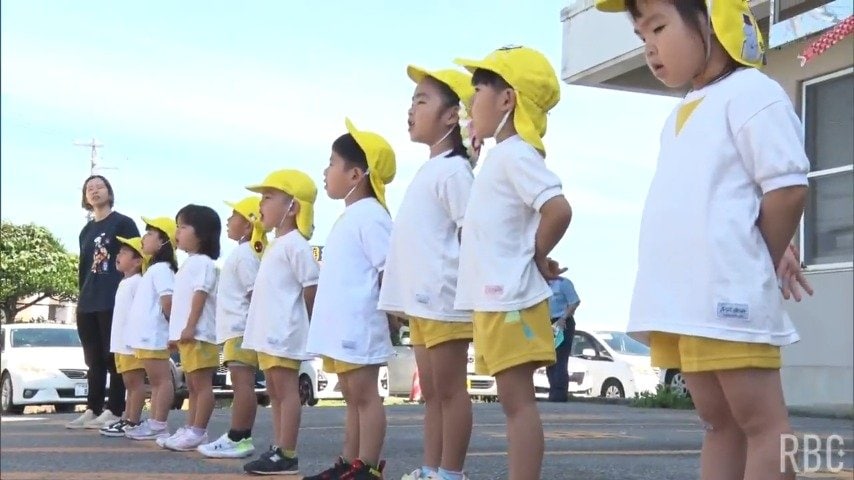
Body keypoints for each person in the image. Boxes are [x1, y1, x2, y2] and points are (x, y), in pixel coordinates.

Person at [594, 1, 813, 478]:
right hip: (687, 301)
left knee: (763, 425)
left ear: (714, 22)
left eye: (658, 26)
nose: (649, 46)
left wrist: (762, 257)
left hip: (726, 292)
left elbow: (788, 185)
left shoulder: (753, 91)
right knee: (718, 424)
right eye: (640, 35)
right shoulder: (686, 110)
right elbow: (726, 199)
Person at [453, 46, 572, 480]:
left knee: (518, 405)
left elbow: (558, 209)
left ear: (508, 100)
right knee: (512, 403)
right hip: (498, 299)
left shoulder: (517, 153)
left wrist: (536, 256)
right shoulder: (499, 156)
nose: (470, 102)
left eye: (478, 90)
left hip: (512, 300)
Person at [379, 65, 477, 480]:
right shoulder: (432, 168)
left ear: (452, 115)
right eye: (412, 101)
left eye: (422, 100)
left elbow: (472, 231)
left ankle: (449, 473)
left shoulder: (455, 171)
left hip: (444, 299)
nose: (411, 108)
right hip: (423, 303)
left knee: (451, 393)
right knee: (432, 394)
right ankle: (431, 469)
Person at [304, 119, 396, 480]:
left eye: (332, 163)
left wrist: (391, 317)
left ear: (356, 174)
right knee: (350, 397)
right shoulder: (352, 216)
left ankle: (368, 467)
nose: (326, 171)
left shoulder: (372, 215)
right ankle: (349, 462)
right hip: (343, 324)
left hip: (360, 323)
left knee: (365, 395)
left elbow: (388, 269)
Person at [241, 170, 320, 475]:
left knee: (285, 391)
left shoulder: (296, 245)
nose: (261, 203)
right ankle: (278, 448)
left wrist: (317, 328)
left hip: (284, 331)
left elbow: (312, 287)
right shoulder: (277, 244)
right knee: (274, 391)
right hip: (268, 331)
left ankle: (287, 452)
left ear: (293, 207)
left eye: (269, 197)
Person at [66, 175, 140, 430]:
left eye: (100, 187)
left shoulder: (123, 223)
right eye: (89, 189)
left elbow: (135, 257)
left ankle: (114, 409)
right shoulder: (86, 231)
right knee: (93, 359)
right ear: (85, 197)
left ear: (110, 191)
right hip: (88, 300)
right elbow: (85, 268)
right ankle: (92, 408)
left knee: (114, 357)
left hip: (113, 299)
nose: (95, 191)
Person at [198, 197, 265, 459]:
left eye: (234, 215)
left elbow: (254, 294)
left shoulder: (245, 254)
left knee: (242, 384)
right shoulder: (241, 253)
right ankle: (238, 436)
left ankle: (239, 436)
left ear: (248, 226)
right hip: (234, 330)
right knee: (240, 383)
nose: (228, 220)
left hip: (241, 329)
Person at [156, 205, 221, 452]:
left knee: (201, 385)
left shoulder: (203, 263)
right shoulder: (189, 264)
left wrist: (191, 327)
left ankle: (198, 430)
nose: (177, 232)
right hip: (188, 336)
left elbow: (200, 295)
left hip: (200, 334)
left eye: (183, 227)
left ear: (202, 234)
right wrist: (176, 336)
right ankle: (191, 429)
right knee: (192, 385)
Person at [124, 217, 178, 441]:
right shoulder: (154, 269)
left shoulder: (163, 269)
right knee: (155, 382)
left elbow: (168, 302)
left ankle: (159, 424)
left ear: (164, 242)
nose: (144, 238)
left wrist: (172, 331)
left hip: (155, 335)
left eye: (149, 234)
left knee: (161, 380)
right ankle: (155, 422)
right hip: (146, 337)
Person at [100, 236, 148, 437]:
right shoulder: (125, 282)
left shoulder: (138, 282)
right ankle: (127, 418)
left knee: (135, 384)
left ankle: (132, 420)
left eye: (124, 253)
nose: (118, 256)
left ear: (138, 261)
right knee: (128, 384)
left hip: (131, 343)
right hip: (120, 343)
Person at [545, 270, 580, 403]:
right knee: (549, 359)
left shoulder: (563, 283)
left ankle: (559, 395)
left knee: (560, 358)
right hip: (546, 323)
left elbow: (574, 302)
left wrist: (563, 317)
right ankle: (553, 391)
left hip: (562, 322)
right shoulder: (540, 285)